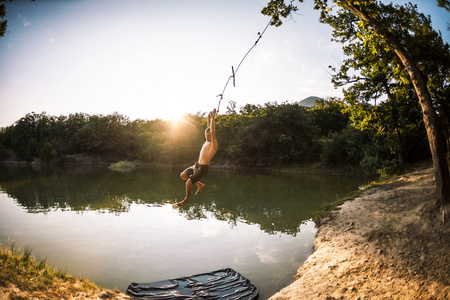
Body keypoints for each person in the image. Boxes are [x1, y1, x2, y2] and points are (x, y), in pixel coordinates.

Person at [176, 109, 218, 207]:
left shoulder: (213, 144)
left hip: (203, 168)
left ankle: (186, 199)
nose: (207, 136)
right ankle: (199, 185)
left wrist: (213, 118)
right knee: (183, 175)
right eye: (206, 135)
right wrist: (208, 116)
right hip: (197, 165)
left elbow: (212, 130)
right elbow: (208, 129)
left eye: (209, 135)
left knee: (188, 183)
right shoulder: (207, 141)